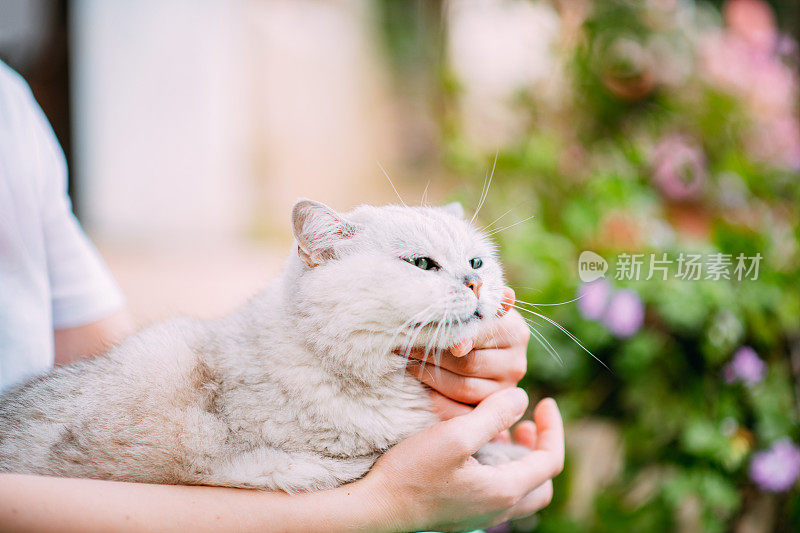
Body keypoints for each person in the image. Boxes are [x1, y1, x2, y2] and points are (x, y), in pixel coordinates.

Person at [0, 60, 564, 532]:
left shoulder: (15, 112)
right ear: (320, 253)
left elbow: (95, 349)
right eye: (422, 264)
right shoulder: (261, 378)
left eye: (474, 264)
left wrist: (467, 392)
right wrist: (397, 497)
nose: (470, 283)